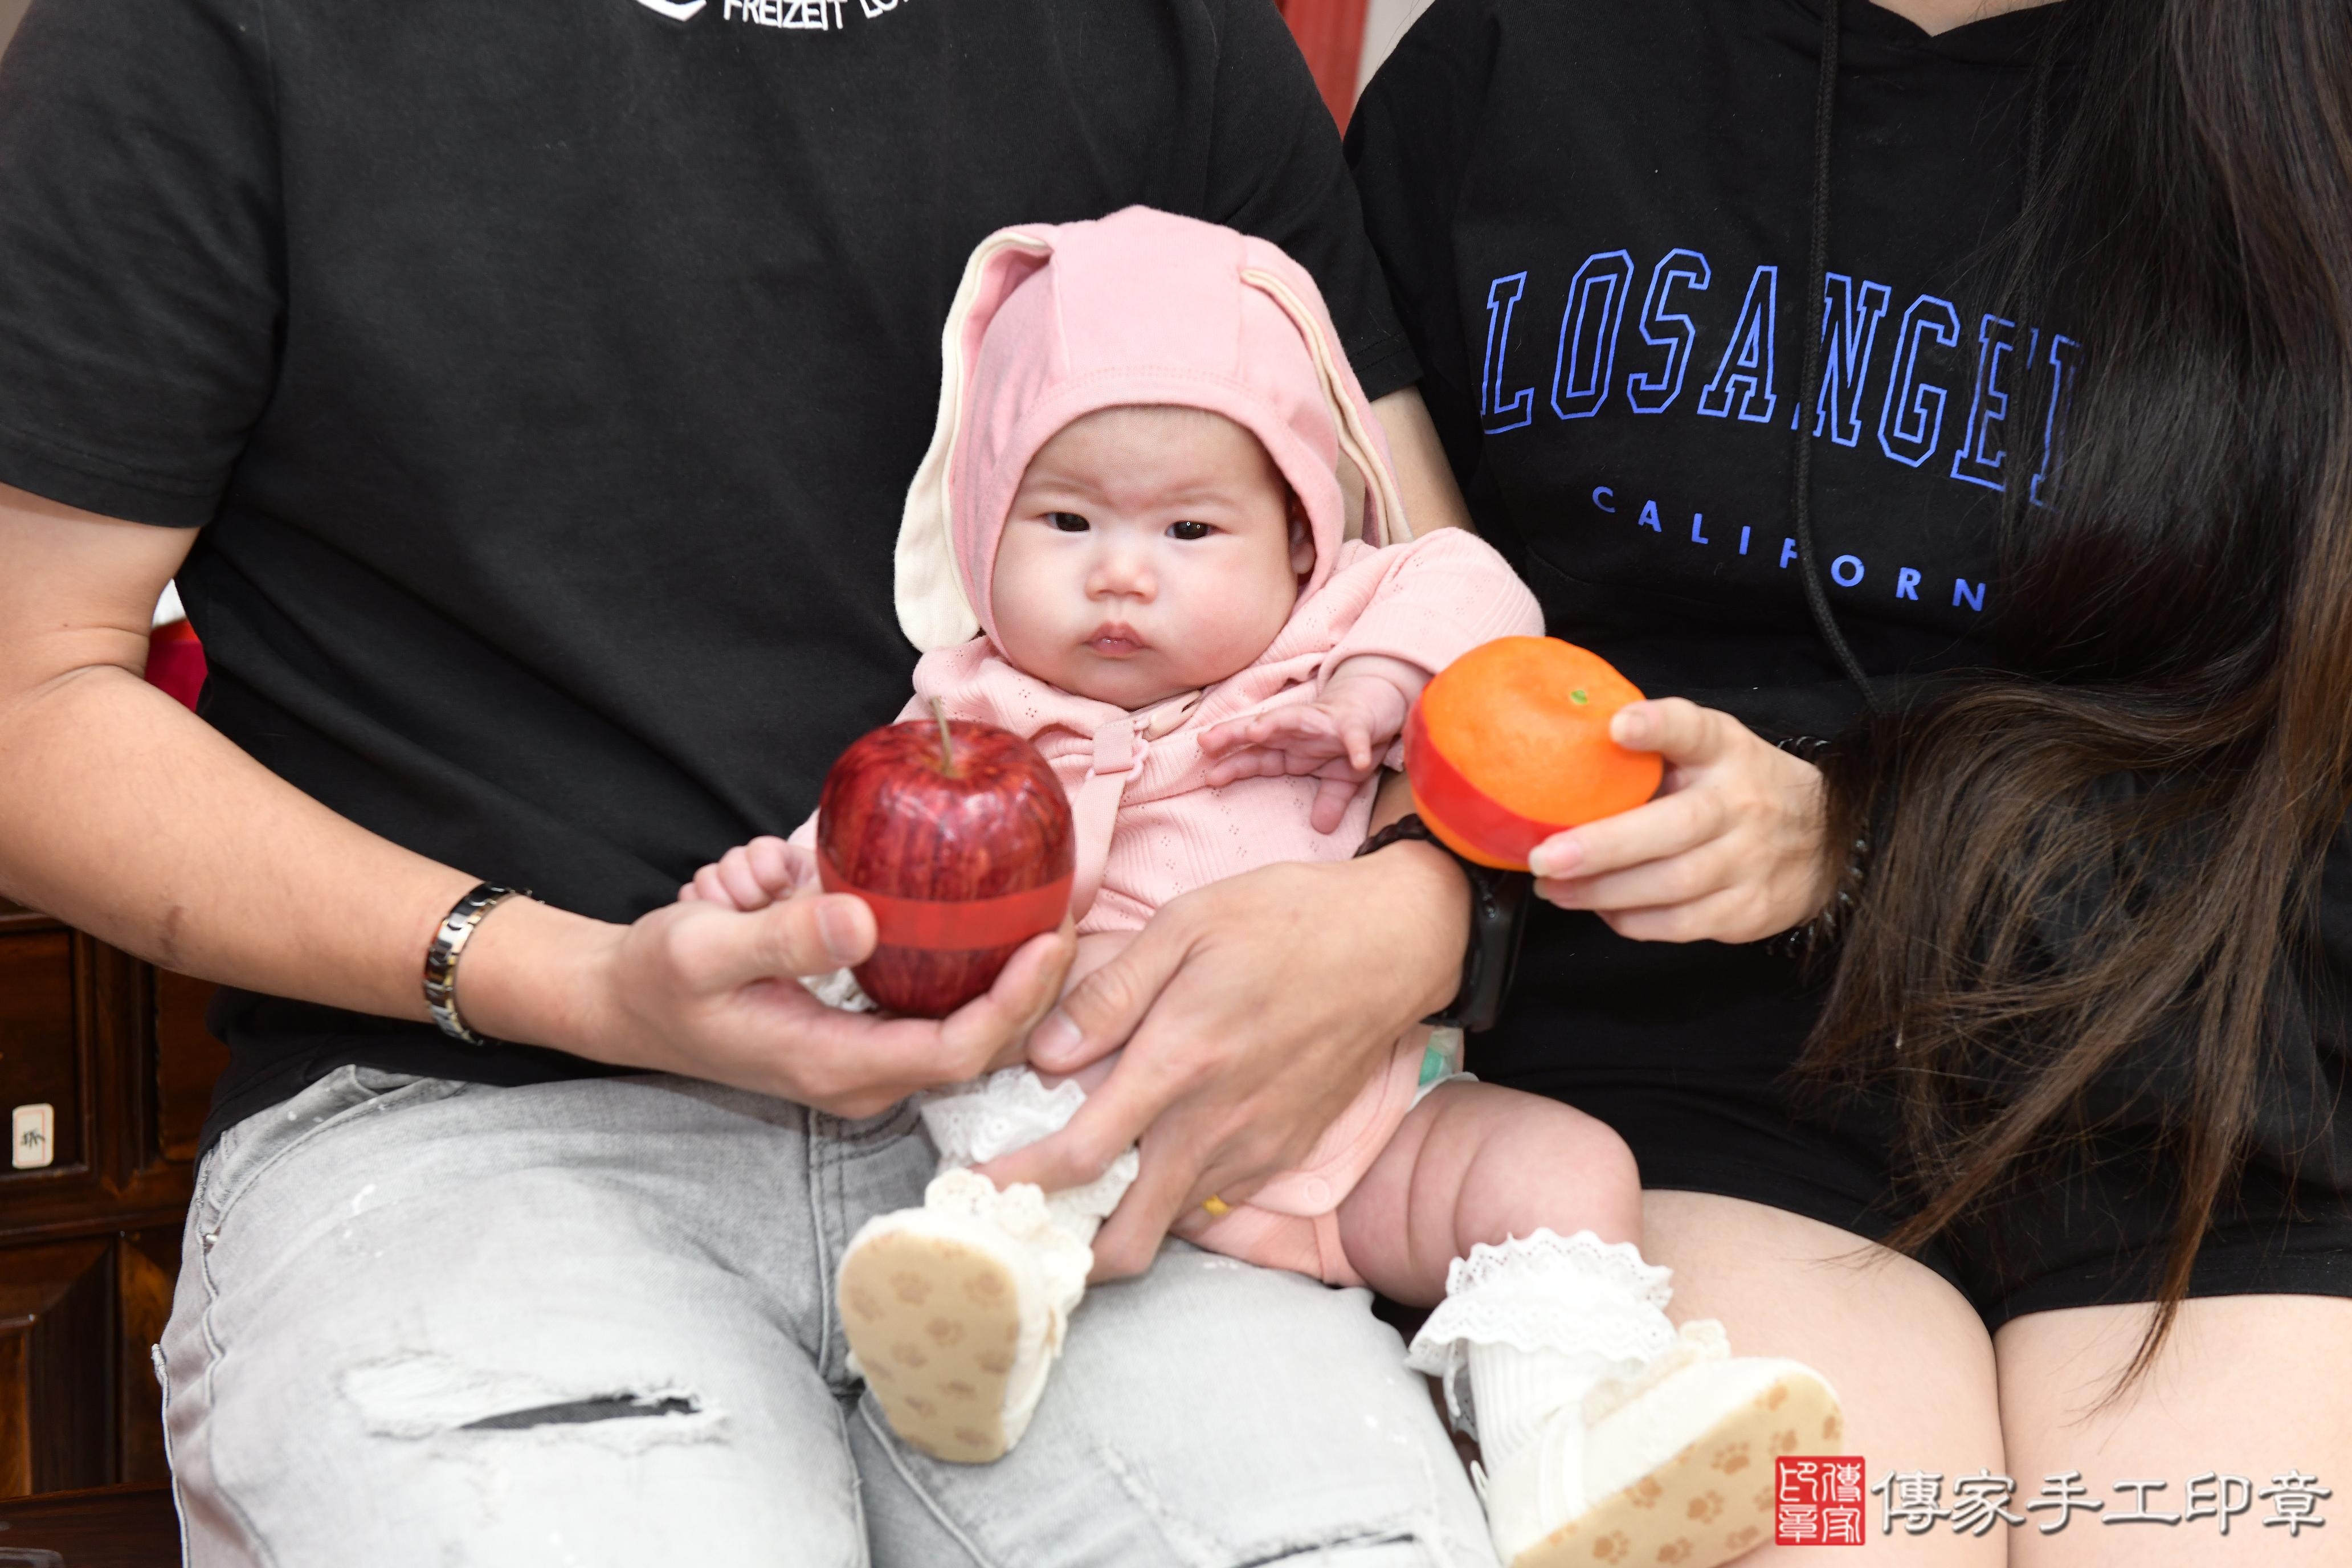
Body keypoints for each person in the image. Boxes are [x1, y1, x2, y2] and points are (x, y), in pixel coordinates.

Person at [0, 2, 1513, 1562]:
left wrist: (1420, 907)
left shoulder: (1169, 29)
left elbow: (1422, 595)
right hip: (468, 1121)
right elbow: (26, 693)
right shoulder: (201, 30)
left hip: (1110, 1120)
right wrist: (580, 981)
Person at [684, 207, 1841, 1568]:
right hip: (1102, 1108)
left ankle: (1561, 1443)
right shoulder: (973, 712)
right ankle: (998, 1292)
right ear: (982, 532)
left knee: (1568, 1164)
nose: (1122, 571)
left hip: (1364, 1129)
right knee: (1029, 1067)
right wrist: (781, 893)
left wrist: (1380, 682)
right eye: (1064, 520)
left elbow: (1473, 586)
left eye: (1190, 526)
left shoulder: (1329, 632)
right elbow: (879, 878)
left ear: (1301, 539)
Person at [1346, 0, 2352, 1562]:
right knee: (1843, 1530)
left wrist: (1864, 833)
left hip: (2213, 1072)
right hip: (1693, 1074)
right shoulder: (1520, 64)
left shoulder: (2306, 108)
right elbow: (1363, 647)